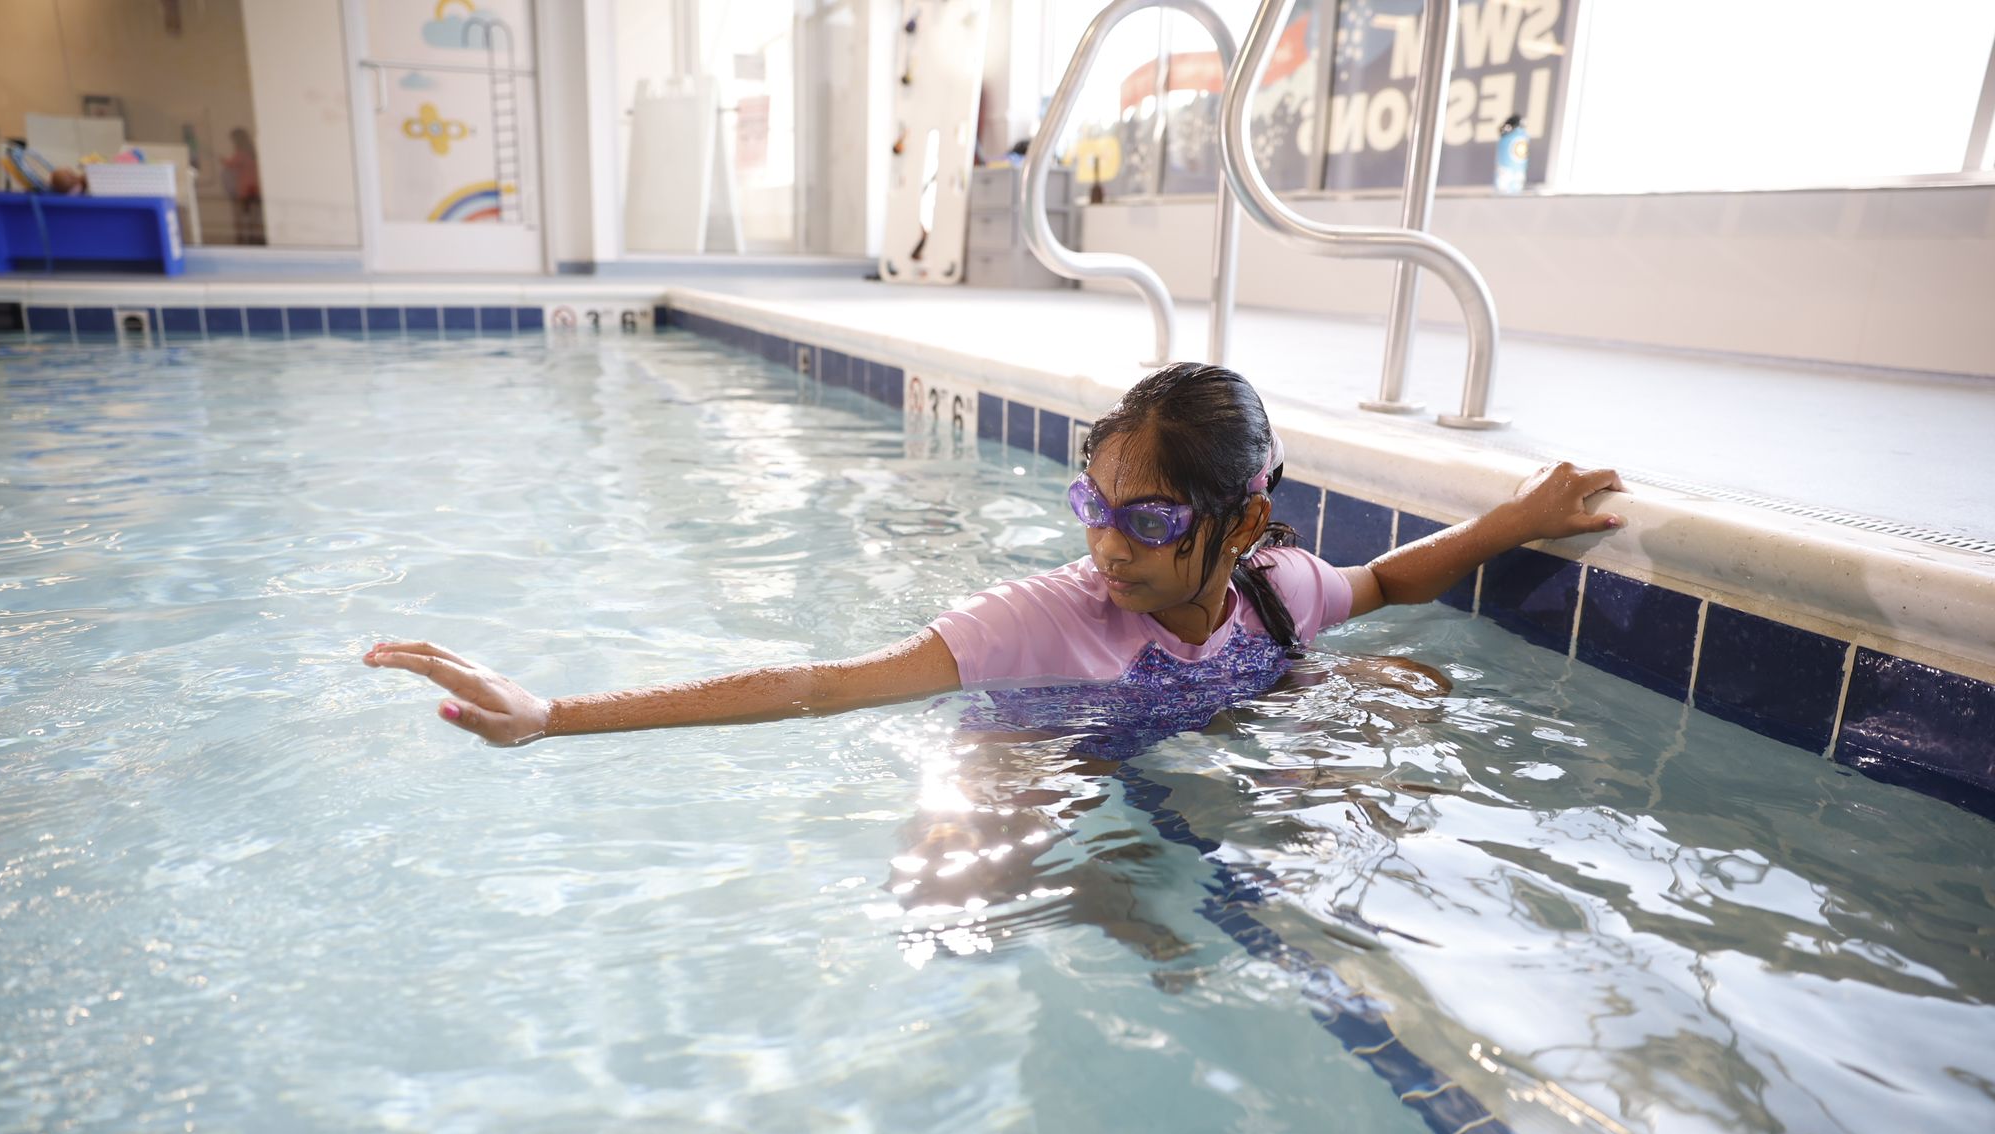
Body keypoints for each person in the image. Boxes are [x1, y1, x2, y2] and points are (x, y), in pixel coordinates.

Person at [364, 361, 1623, 756]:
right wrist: (558, 714)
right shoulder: (1040, 621)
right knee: (958, 901)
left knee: (1414, 696)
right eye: (1092, 503)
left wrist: (1517, 516)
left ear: (1239, 526)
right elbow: (820, 682)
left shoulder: (1274, 593)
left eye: (1147, 521)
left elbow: (1392, 581)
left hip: (1206, 719)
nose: (1104, 547)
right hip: (1036, 744)